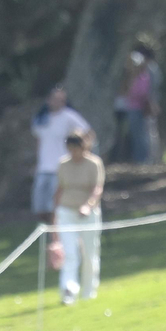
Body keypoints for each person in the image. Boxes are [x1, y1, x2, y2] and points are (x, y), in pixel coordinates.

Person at [52, 131, 105, 305]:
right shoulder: (63, 164)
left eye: (77, 149)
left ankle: (89, 292)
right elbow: (59, 191)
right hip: (66, 212)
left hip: (88, 214)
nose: (74, 153)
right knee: (70, 254)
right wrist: (54, 219)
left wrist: (87, 206)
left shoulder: (94, 163)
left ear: (85, 147)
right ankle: (69, 291)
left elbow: (96, 189)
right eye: (71, 149)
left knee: (90, 254)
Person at [31, 87, 92, 223]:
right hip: (43, 168)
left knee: (55, 204)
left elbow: (88, 133)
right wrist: (37, 162)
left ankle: (55, 236)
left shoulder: (70, 116)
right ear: (48, 100)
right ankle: (47, 231)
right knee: (40, 205)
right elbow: (39, 142)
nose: (59, 102)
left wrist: (82, 153)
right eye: (56, 99)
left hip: (60, 167)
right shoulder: (42, 119)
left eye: (62, 100)